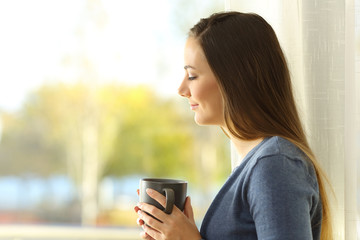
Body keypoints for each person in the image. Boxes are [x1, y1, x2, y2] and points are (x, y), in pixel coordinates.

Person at [134, 11, 333, 240]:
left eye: (192, 75)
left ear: (234, 78)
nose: (181, 89)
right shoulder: (259, 163)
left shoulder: (274, 164)